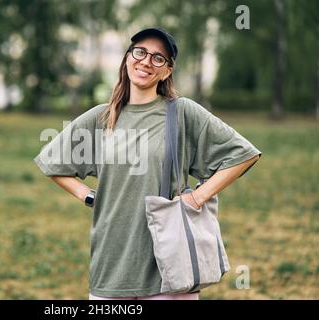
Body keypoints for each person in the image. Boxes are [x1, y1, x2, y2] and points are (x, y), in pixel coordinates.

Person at [34, 27, 262, 300]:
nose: (146, 61)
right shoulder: (101, 118)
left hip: (168, 266)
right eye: (140, 52)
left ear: (167, 71)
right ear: (128, 58)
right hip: (111, 262)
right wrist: (89, 196)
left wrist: (197, 198)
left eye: (158, 58)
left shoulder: (181, 113)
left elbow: (243, 154)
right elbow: (53, 161)